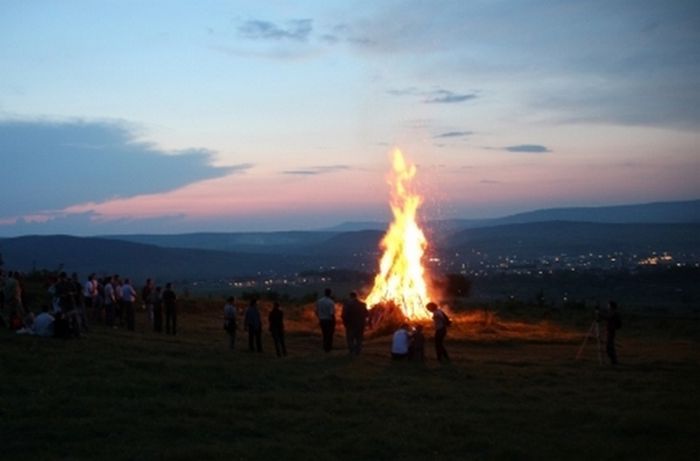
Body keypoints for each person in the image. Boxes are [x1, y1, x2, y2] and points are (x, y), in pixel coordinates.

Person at [341, 291, 368, 355]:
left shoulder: (347, 305)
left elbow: (343, 315)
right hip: (360, 325)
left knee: (350, 338)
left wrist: (345, 323)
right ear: (356, 296)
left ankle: (351, 351)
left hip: (350, 325)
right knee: (359, 338)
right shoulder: (362, 304)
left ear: (350, 296)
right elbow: (367, 314)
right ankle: (358, 351)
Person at [315, 288, 336, 352]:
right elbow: (332, 313)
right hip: (329, 321)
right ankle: (328, 348)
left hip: (322, 320)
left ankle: (325, 347)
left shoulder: (319, 301)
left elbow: (316, 311)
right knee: (329, 334)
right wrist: (334, 321)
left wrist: (319, 317)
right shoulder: (331, 302)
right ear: (330, 293)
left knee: (324, 334)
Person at [603, 301, 622, 365]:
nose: (607, 307)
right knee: (609, 346)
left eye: (608, 306)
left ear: (611, 306)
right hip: (610, 331)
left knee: (609, 347)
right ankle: (614, 361)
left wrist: (600, 315)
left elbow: (608, 317)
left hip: (611, 331)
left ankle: (614, 361)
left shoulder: (614, 313)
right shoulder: (613, 313)